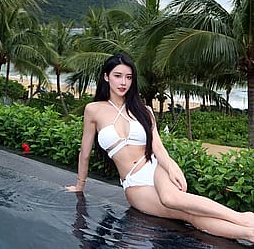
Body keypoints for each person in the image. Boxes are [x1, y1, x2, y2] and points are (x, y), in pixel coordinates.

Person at [66, 53, 254, 243]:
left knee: (171, 198)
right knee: (188, 215)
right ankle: (248, 232)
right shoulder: (94, 109)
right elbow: (85, 153)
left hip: (156, 168)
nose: (123, 82)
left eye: (129, 77)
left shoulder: (144, 110)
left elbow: (157, 147)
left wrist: (172, 167)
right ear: (106, 77)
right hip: (134, 182)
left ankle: (243, 219)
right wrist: (79, 186)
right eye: (118, 75)